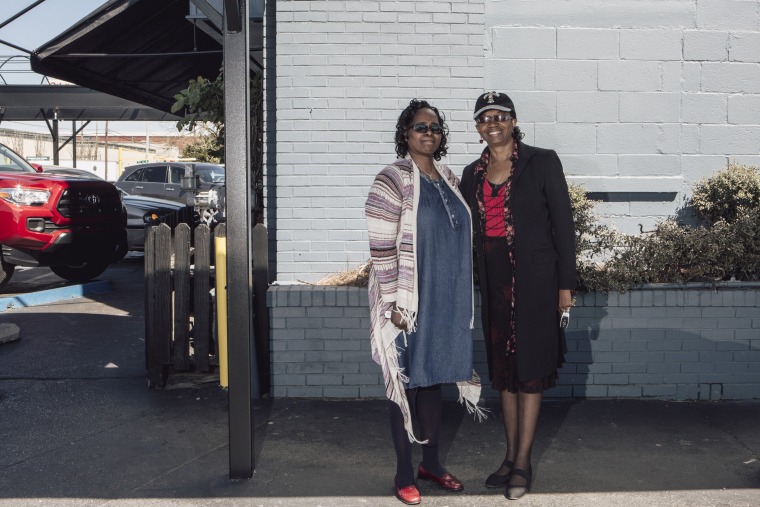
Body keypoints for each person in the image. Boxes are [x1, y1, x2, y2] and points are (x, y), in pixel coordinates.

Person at [365, 99, 486, 505]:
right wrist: (392, 302)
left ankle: (430, 463)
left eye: (434, 127)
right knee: (406, 383)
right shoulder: (392, 178)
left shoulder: (448, 178)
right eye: (420, 127)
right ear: (405, 134)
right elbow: (381, 248)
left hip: (444, 297)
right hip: (407, 301)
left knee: (433, 378)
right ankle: (403, 472)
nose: (428, 133)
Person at [459, 91, 576, 500]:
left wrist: (565, 286)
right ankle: (509, 457)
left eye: (500, 116)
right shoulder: (471, 172)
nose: (492, 122)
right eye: (484, 118)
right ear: (477, 128)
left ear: (513, 121)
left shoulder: (542, 161)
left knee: (529, 371)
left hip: (537, 284)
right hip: (493, 285)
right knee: (504, 375)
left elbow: (563, 225)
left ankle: (523, 462)